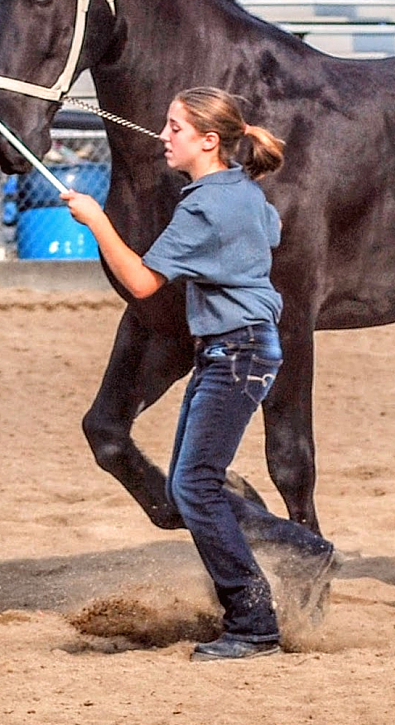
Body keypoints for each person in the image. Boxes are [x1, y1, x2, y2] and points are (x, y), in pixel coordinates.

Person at [62, 86, 339, 661]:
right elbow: (270, 232)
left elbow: (141, 283)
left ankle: (256, 620)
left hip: (234, 353)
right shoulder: (242, 190)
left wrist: (97, 221)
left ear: (209, 141)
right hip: (237, 351)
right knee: (191, 487)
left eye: (175, 128)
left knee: (193, 487)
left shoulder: (205, 205)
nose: (164, 137)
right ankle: (299, 554)